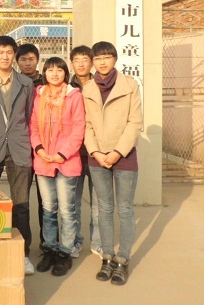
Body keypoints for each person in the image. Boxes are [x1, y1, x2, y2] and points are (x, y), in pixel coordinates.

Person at [83, 41, 142, 286]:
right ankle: (107, 257)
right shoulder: (88, 88)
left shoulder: (129, 85)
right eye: (98, 58)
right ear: (93, 62)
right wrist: (96, 152)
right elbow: (86, 125)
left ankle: (123, 260)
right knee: (104, 208)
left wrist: (117, 152)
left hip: (124, 156)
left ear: (115, 59)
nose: (103, 62)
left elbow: (135, 122)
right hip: (97, 158)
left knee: (125, 209)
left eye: (107, 57)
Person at [0, 36, 36, 275]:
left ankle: (23, 253)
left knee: (21, 204)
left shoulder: (26, 83)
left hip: (20, 148)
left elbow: (29, 115)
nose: (5, 56)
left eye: (9, 52)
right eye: (0, 52)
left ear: (14, 55)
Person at [30, 57, 85, 277]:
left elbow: (79, 128)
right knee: (48, 209)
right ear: (44, 73)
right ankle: (50, 249)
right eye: (50, 70)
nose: (54, 74)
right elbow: (33, 125)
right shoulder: (39, 95)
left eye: (59, 70)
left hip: (66, 161)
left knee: (67, 210)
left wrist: (63, 154)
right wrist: (39, 149)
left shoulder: (74, 96)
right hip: (43, 160)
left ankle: (65, 251)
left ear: (65, 73)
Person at [69, 45, 101, 257]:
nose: (81, 64)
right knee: (73, 201)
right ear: (71, 63)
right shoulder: (66, 86)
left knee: (99, 202)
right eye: (77, 60)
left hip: (98, 152)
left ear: (92, 62)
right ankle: (75, 240)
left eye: (85, 59)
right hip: (74, 153)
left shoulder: (100, 84)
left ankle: (97, 241)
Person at [16, 43, 46, 251]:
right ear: (17, 62)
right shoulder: (15, 83)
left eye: (31, 59)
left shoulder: (47, 82)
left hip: (45, 148)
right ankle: (21, 244)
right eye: (23, 59)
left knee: (46, 201)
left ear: (37, 60)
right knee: (21, 200)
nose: (27, 63)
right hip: (22, 147)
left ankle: (47, 242)